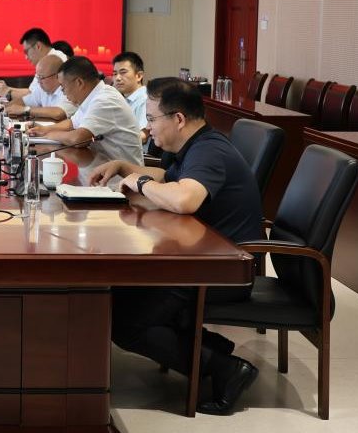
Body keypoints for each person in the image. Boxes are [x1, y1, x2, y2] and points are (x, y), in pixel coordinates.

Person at [89, 77, 263, 415]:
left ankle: (226, 368)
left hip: (222, 270)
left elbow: (184, 199)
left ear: (178, 119)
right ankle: (211, 348)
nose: (147, 127)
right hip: (203, 257)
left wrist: (139, 182)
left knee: (124, 321)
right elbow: (168, 179)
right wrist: (123, 168)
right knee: (118, 295)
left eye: (151, 119)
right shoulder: (196, 145)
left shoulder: (208, 151)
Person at [27, 56, 143, 166]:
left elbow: (78, 139)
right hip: (103, 165)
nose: (63, 92)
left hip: (124, 175)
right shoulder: (94, 95)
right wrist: (44, 129)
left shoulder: (105, 100)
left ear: (79, 83)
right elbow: (72, 123)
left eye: (63, 87)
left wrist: (51, 135)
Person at [0, 28, 66, 101]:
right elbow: (32, 91)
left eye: (27, 52)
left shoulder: (56, 60)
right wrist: (6, 88)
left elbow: (34, 97)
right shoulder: (44, 62)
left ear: (38, 46)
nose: (26, 57)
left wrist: (7, 92)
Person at [3, 54, 77, 121]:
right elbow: (24, 101)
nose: (38, 81)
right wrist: (6, 107)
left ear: (57, 76)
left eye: (41, 77)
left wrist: (26, 110)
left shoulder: (68, 90)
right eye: (37, 77)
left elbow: (59, 113)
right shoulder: (42, 89)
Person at [112, 51, 150, 146]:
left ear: (139, 76)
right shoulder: (124, 99)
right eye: (115, 74)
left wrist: (111, 141)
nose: (118, 78)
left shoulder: (145, 99)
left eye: (123, 73)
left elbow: (143, 136)